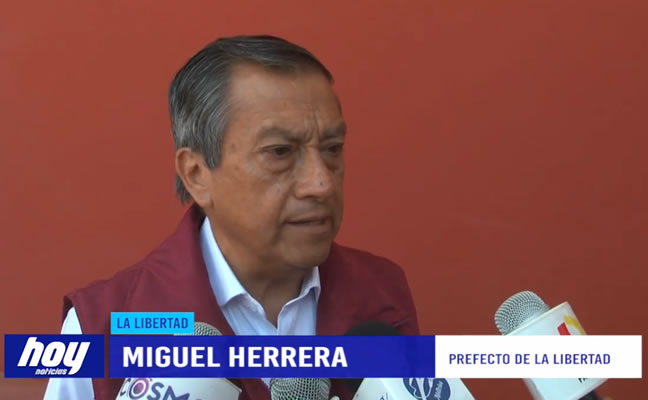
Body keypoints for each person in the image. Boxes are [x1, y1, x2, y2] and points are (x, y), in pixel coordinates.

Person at [44, 35, 419, 400]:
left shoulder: (381, 295)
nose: (321, 184)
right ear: (196, 174)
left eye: (332, 148)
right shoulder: (104, 326)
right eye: (279, 152)